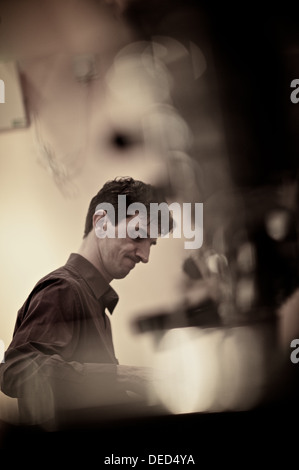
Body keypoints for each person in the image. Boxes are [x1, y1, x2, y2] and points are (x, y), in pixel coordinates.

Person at [0, 176, 172, 428]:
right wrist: (127, 375)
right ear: (101, 223)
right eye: (138, 236)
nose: (145, 255)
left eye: (151, 243)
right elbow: (14, 369)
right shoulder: (64, 289)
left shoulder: (94, 302)